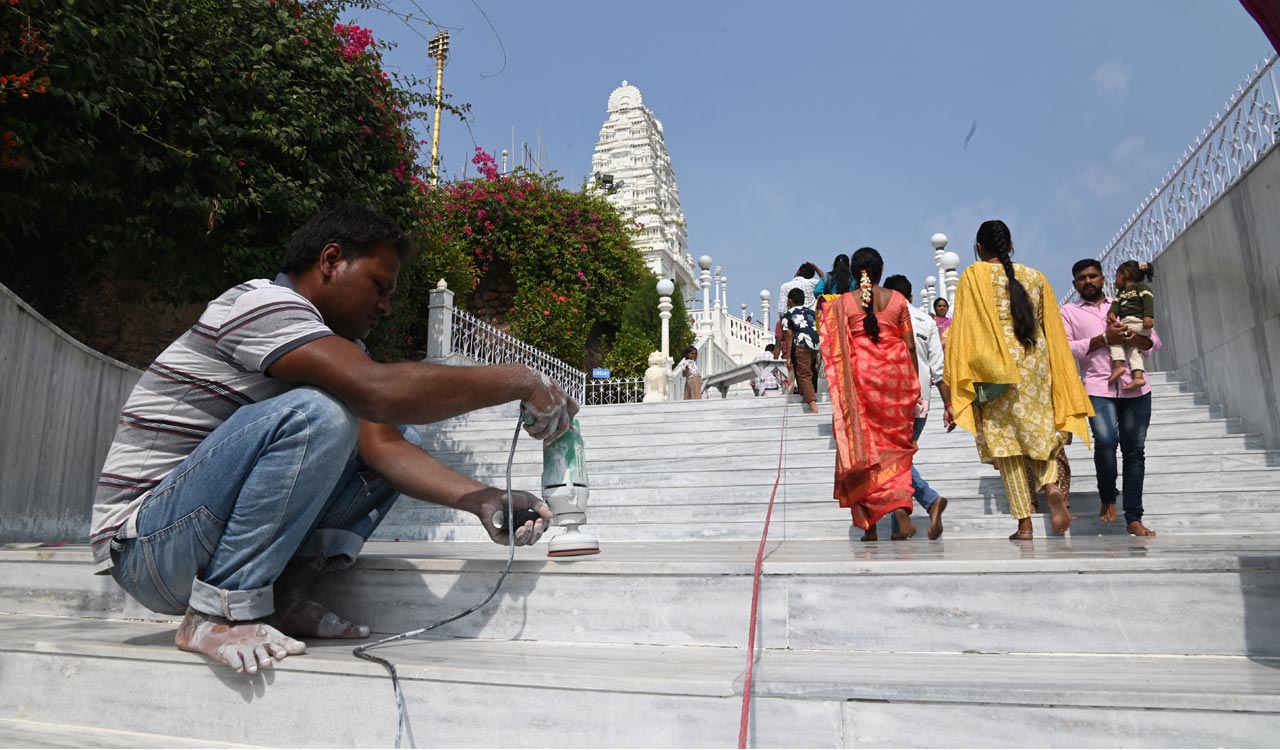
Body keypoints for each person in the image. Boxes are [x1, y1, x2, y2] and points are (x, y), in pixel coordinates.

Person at [90, 204, 574, 674]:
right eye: (379, 287)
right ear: (330, 260)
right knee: (321, 413)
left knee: (379, 436)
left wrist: (485, 499)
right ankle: (218, 614)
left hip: (190, 542)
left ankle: (283, 599)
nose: (385, 307)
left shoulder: (337, 347)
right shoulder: (261, 304)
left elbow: (385, 447)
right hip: (145, 548)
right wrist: (520, 380)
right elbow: (377, 391)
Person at [944, 220, 1092, 540]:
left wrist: (958, 379)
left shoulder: (973, 275)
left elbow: (965, 329)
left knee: (1008, 446)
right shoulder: (1036, 277)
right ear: (1010, 246)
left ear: (980, 248)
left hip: (996, 372)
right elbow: (1049, 329)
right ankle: (1052, 487)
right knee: (1039, 435)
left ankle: (1025, 525)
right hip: (1035, 367)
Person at [819, 247, 919, 541]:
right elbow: (910, 346)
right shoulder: (898, 300)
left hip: (860, 381)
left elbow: (833, 347)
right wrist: (914, 386)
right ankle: (900, 509)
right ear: (881, 270)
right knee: (894, 450)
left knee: (861, 450)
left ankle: (869, 525)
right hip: (895, 382)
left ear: (853, 275)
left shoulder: (842, 304)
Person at [1060, 258, 1160, 536]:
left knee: (1134, 451)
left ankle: (1134, 517)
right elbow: (1065, 350)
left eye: (1093, 276)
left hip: (1136, 387)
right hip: (1097, 387)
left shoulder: (1126, 300)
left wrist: (1134, 336)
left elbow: (1154, 341)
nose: (1088, 281)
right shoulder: (1068, 312)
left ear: (1103, 278)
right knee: (1105, 441)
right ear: (1075, 284)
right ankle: (1107, 497)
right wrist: (1103, 338)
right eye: (1082, 278)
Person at [882, 275, 952, 540]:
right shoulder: (927, 322)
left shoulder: (883, 320)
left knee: (892, 460)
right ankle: (899, 525)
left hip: (890, 401)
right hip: (921, 401)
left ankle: (929, 499)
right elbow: (939, 369)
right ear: (911, 296)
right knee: (899, 459)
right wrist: (948, 403)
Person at [1107, 260, 1157, 390]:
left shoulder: (1140, 287)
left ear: (1125, 274)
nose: (1114, 281)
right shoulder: (1120, 293)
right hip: (1130, 324)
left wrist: (1148, 316)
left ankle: (1118, 366)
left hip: (1137, 323)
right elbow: (1115, 305)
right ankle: (1138, 377)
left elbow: (1148, 300)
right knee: (1132, 350)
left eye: (1116, 276)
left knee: (1113, 337)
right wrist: (1112, 313)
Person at [780, 287, 821, 413]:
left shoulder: (787, 316)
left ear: (790, 301)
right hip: (816, 344)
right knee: (811, 370)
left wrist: (788, 357)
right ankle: (806, 397)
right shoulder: (810, 312)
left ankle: (813, 404)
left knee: (804, 374)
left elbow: (789, 335)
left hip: (802, 344)